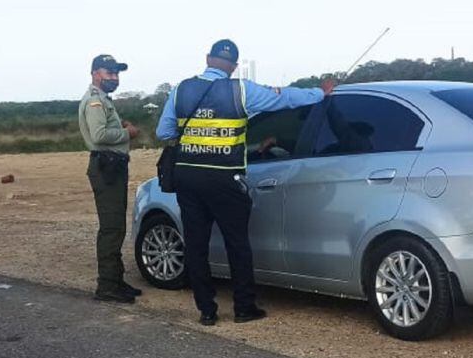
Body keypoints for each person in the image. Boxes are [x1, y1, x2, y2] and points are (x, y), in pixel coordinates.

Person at [156, 39, 335, 326]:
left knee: (196, 245)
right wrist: (319, 92)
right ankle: (243, 307)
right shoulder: (240, 89)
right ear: (234, 66)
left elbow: (163, 131)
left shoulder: (181, 90)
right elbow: (284, 98)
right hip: (224, 177)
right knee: (237, 243)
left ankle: (207, 311)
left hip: (188, 176)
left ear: (207, 58)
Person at [78, 54, 141, 303]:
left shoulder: (104, 100)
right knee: (111, 227)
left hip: (112, 166)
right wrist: (127, 133)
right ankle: (107, 285)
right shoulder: (95, 100)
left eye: (116, 73)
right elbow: (100, 134)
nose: (114, 78)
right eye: (109, 73)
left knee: (116, 225)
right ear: (95, 73)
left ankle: (116, 279)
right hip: (106, 166)